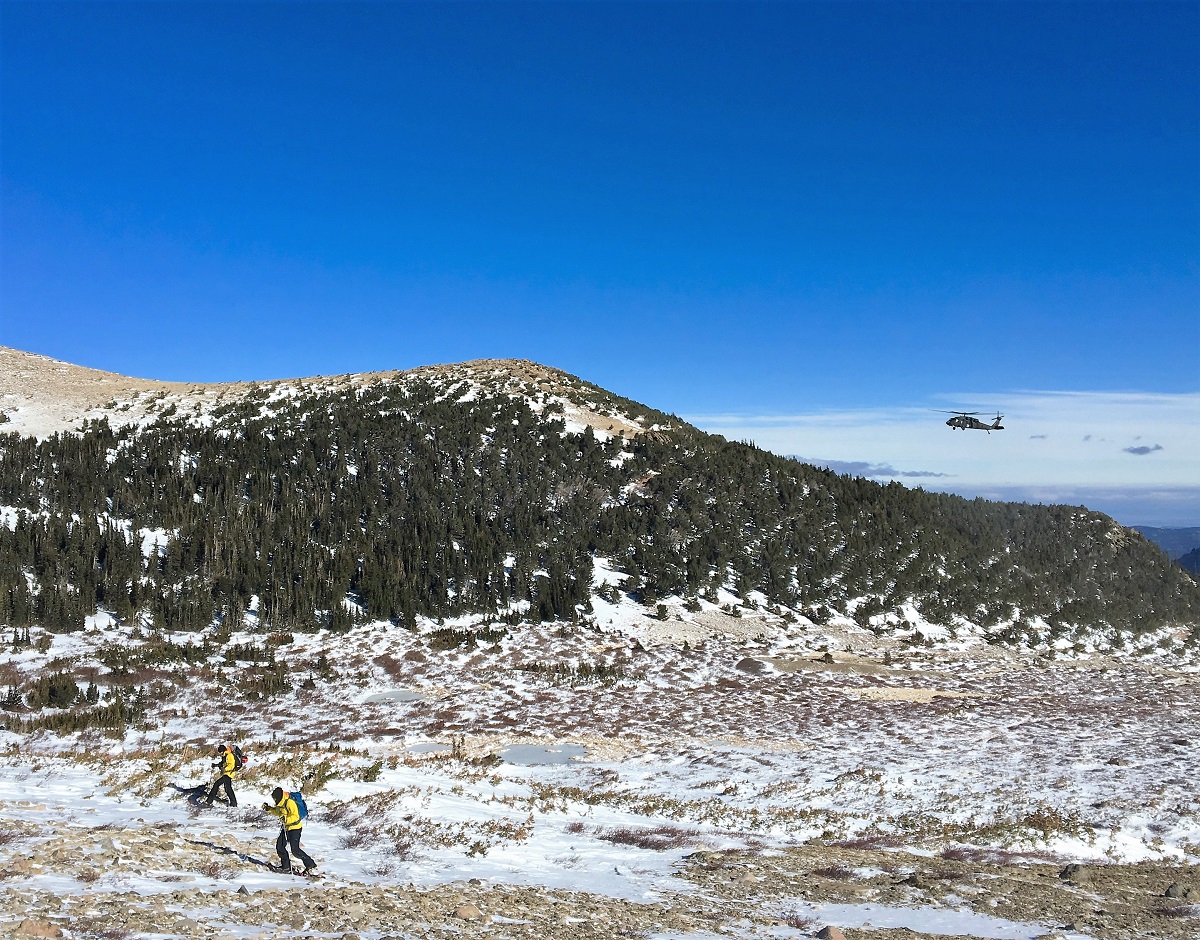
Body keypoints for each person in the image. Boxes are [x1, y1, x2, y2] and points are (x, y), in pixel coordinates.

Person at [263, 786, 316, 875]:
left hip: (295, 829)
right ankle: (286, 867)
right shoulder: (281, 803)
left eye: (275, 799)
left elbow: (296, 816)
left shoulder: (289, 802)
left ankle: (310, 864)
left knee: (295, 850)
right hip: (285, 828)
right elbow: (278, 812)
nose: (275, 800)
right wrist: (269, 809)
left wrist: (286, 819)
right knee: (280, 846)